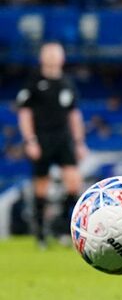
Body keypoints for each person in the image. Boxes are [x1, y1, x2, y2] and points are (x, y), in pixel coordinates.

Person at [16, 42, 87, 249]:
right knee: (41, 188)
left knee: (74, 183)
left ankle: (63, 228)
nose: (53, 57)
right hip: (42, 138)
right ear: (42, 57)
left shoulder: (67, 83)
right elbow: (25, 113)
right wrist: (30, 140)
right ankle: (39, 234)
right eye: (49, 53)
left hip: (63, 138)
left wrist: (80, 142)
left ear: (62, 58)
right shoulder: (34, 82)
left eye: (57, 53)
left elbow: (74, 114)